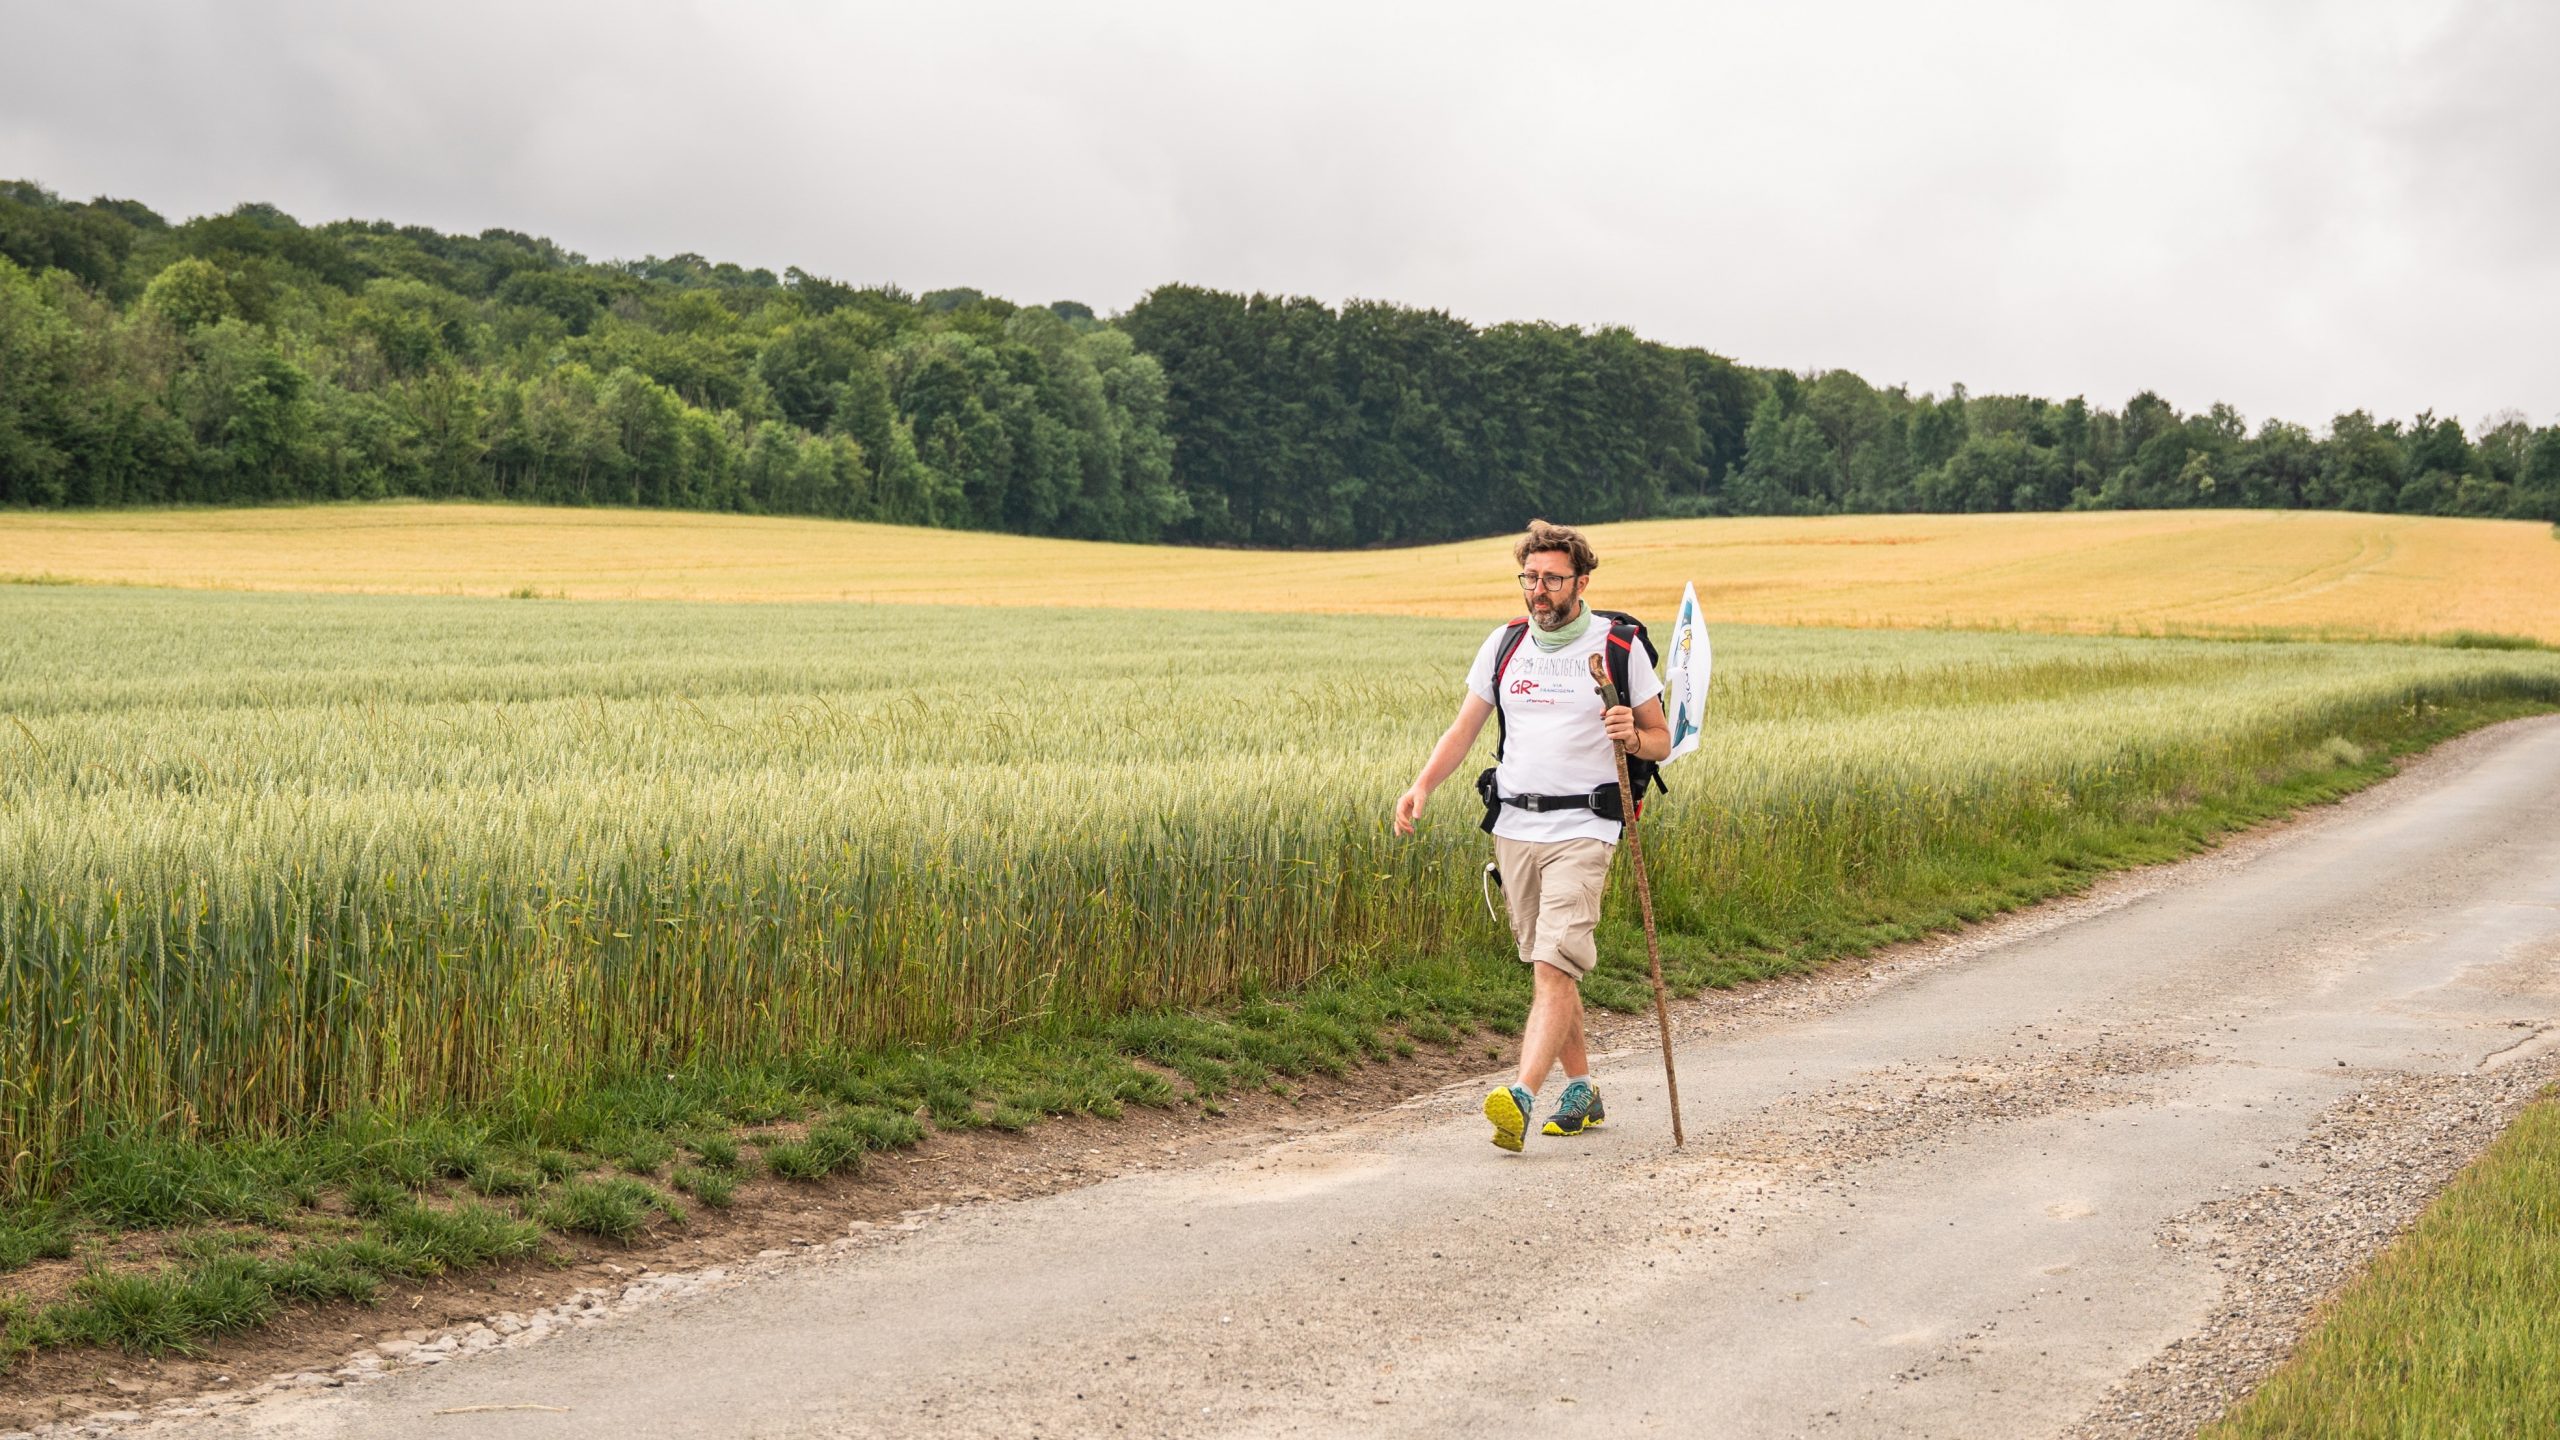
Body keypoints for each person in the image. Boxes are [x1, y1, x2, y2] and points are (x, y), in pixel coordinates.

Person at [1393, 519, 1669, 1152]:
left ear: (1581, 581)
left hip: (1587, 825)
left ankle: (1518, 1096)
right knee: (1551, 968)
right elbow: (1463, 729)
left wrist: (1632, 734)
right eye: (1530, 578)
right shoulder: (1505, 644)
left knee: (1553, 962)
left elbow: (1662, 740)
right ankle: (1582, 1089)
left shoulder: (1617, 647)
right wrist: (1422, 785)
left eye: (1551, 579)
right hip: (1514, 824)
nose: (1538, 591)